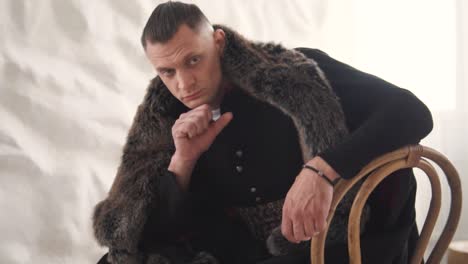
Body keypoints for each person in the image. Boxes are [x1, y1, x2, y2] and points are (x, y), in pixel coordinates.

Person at [93, 2, 433, 263]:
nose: (183, 84)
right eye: (167, 72)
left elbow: (412, 112)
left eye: (194, 61)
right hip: (240, 250)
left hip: (335, 241)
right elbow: (159, 232)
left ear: (219, 42)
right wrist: (184, 160)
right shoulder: (167, 117)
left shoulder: (296, 73)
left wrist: (322, 170)